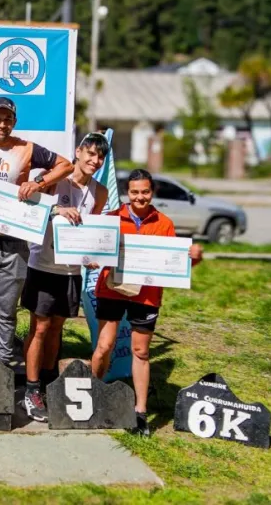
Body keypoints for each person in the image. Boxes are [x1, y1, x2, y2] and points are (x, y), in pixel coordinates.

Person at [91, 169, 204, 436]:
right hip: (112, 290)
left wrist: (194, 258)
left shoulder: (164, 223)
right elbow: (93, 251)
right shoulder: (112, 219)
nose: (140, 197)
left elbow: (174, 264)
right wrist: (92, 258)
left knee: (141, 352)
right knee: (104, 346)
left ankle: (140, 412)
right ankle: (93, 397)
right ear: (127, 193)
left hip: (147, 295)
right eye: (134, 192)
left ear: (152, 192)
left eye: (145, 192)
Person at [0, 97, 72, 367]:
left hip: (14, 240)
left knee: (5, 313)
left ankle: (2, 368)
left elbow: (66, 165)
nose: (2, 124)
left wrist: (38, 182)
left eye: (7, 119)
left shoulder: (27, 148)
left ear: (14, 122)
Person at [20, 132, 111, 422]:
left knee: (56, 328)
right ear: (79, 151)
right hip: (42, 264)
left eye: (100, 157)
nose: (95, 161)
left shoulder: (99, 192)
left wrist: (93, 256)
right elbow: (29, 203)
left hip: (71, 271)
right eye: (91, 154)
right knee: (39, 328)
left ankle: (49, 383)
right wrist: (58, 208)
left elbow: (92, 231)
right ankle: (31, 388)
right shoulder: (56, 178)